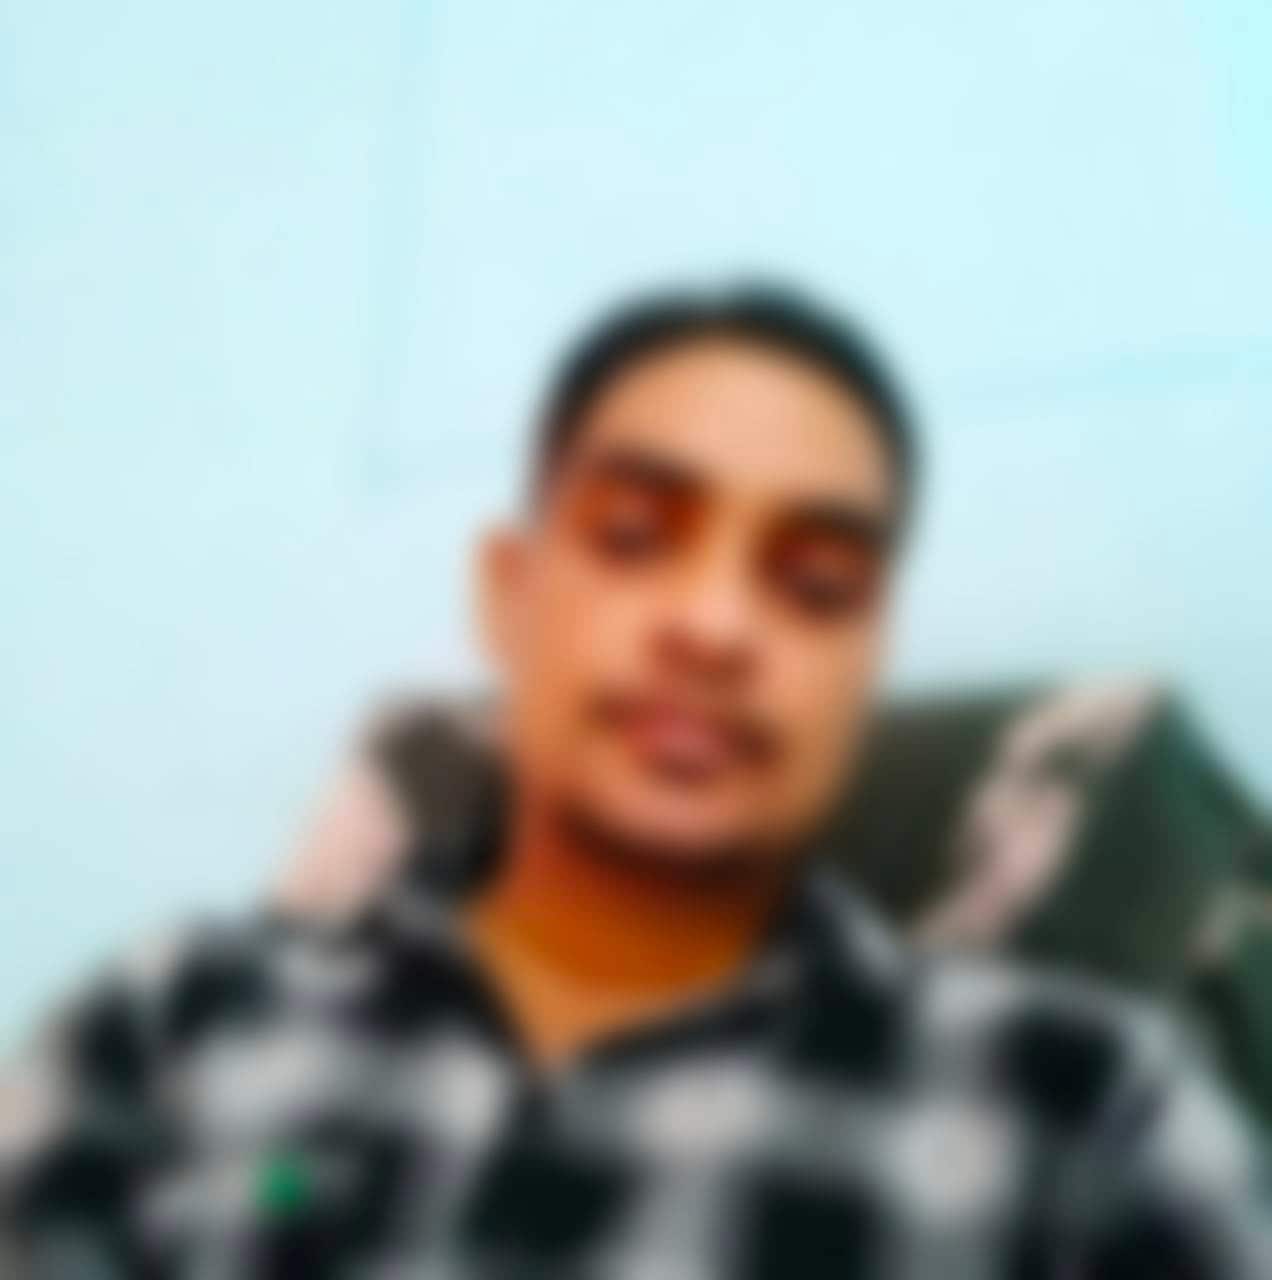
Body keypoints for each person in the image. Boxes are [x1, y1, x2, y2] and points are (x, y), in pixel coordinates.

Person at [2, 285, 1267, 1278]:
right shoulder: (180, 1024)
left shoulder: (1081, 1107)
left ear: (864, 664)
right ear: (509, 593)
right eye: (633, 536)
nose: (715, 626)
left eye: (815, 583)